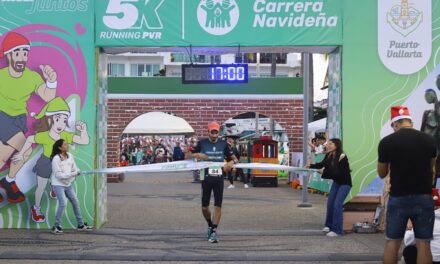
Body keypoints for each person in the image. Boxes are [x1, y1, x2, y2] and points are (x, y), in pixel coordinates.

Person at [0, 31, 58, 203]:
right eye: (17, 53)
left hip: (19, 119)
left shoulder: (31, 77)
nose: (21, 58)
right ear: (9, 56)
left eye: (25, 53)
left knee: (4, 156)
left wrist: (51, 81)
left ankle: (7, 181)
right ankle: (9, 181)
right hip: (2, 116)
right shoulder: (1, 75)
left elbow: (48, 96)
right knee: (25, 148)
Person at [12, 97, 89, 223]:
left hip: (59, 163)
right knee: (41, 187)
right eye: (57, 119)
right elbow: (31, 139)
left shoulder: (65, 135)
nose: (61, 124)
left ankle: (54, 185)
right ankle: (36, 208)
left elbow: (84, 140)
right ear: (50, 120)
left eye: (64, 121)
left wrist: (84, 131)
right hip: (46, 162)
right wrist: (21, 154)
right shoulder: (45, 136)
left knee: (61, 178)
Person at [377, 105, 436, 264]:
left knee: (392, 242)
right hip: (423, 197)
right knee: (423, 244)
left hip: (398, 198)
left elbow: (382, 173)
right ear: (409, 121)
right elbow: (432, 168)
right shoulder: (428, 140)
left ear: (395, 124)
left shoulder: (387, 142)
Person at [191, 121, 238, 243]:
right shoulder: (201, 143)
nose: (214, 134)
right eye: (212, 132)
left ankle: (213, 231)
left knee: (218, 205)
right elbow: (187, 155)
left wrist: (231, 162)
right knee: (204, 207)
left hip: (218, 178)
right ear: (208, 132)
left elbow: (235, 158)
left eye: (216, 132)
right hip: (205, 177)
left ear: (218, 132)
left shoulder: (224, 144)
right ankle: (210, 225)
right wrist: (198, 155)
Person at [306, 138, 352, 237]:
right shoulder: (329, 155)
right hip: (337, 182)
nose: (328, 145)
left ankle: (337, 230)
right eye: (328, 144)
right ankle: (329, 225)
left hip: (345, 183)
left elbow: (339, 173)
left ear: (337, 145)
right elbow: (322, 164)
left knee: (337, 205)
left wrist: (324, 172)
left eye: (331, 144)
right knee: (330, 203)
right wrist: (310, 166)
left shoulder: (342, 156)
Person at [50, 139, 92, 234]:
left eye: (66, 144)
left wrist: (77, 171)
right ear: (60, 147)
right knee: (63, 203)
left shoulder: (70, 156)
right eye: (65, 144)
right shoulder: (56, 159)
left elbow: (75, 168)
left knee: (75, 202)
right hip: (58, 184)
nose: (67, 145)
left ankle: (81, 225)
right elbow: (59, 176)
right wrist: (73, 174)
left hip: (68, 184)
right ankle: (56, 226)